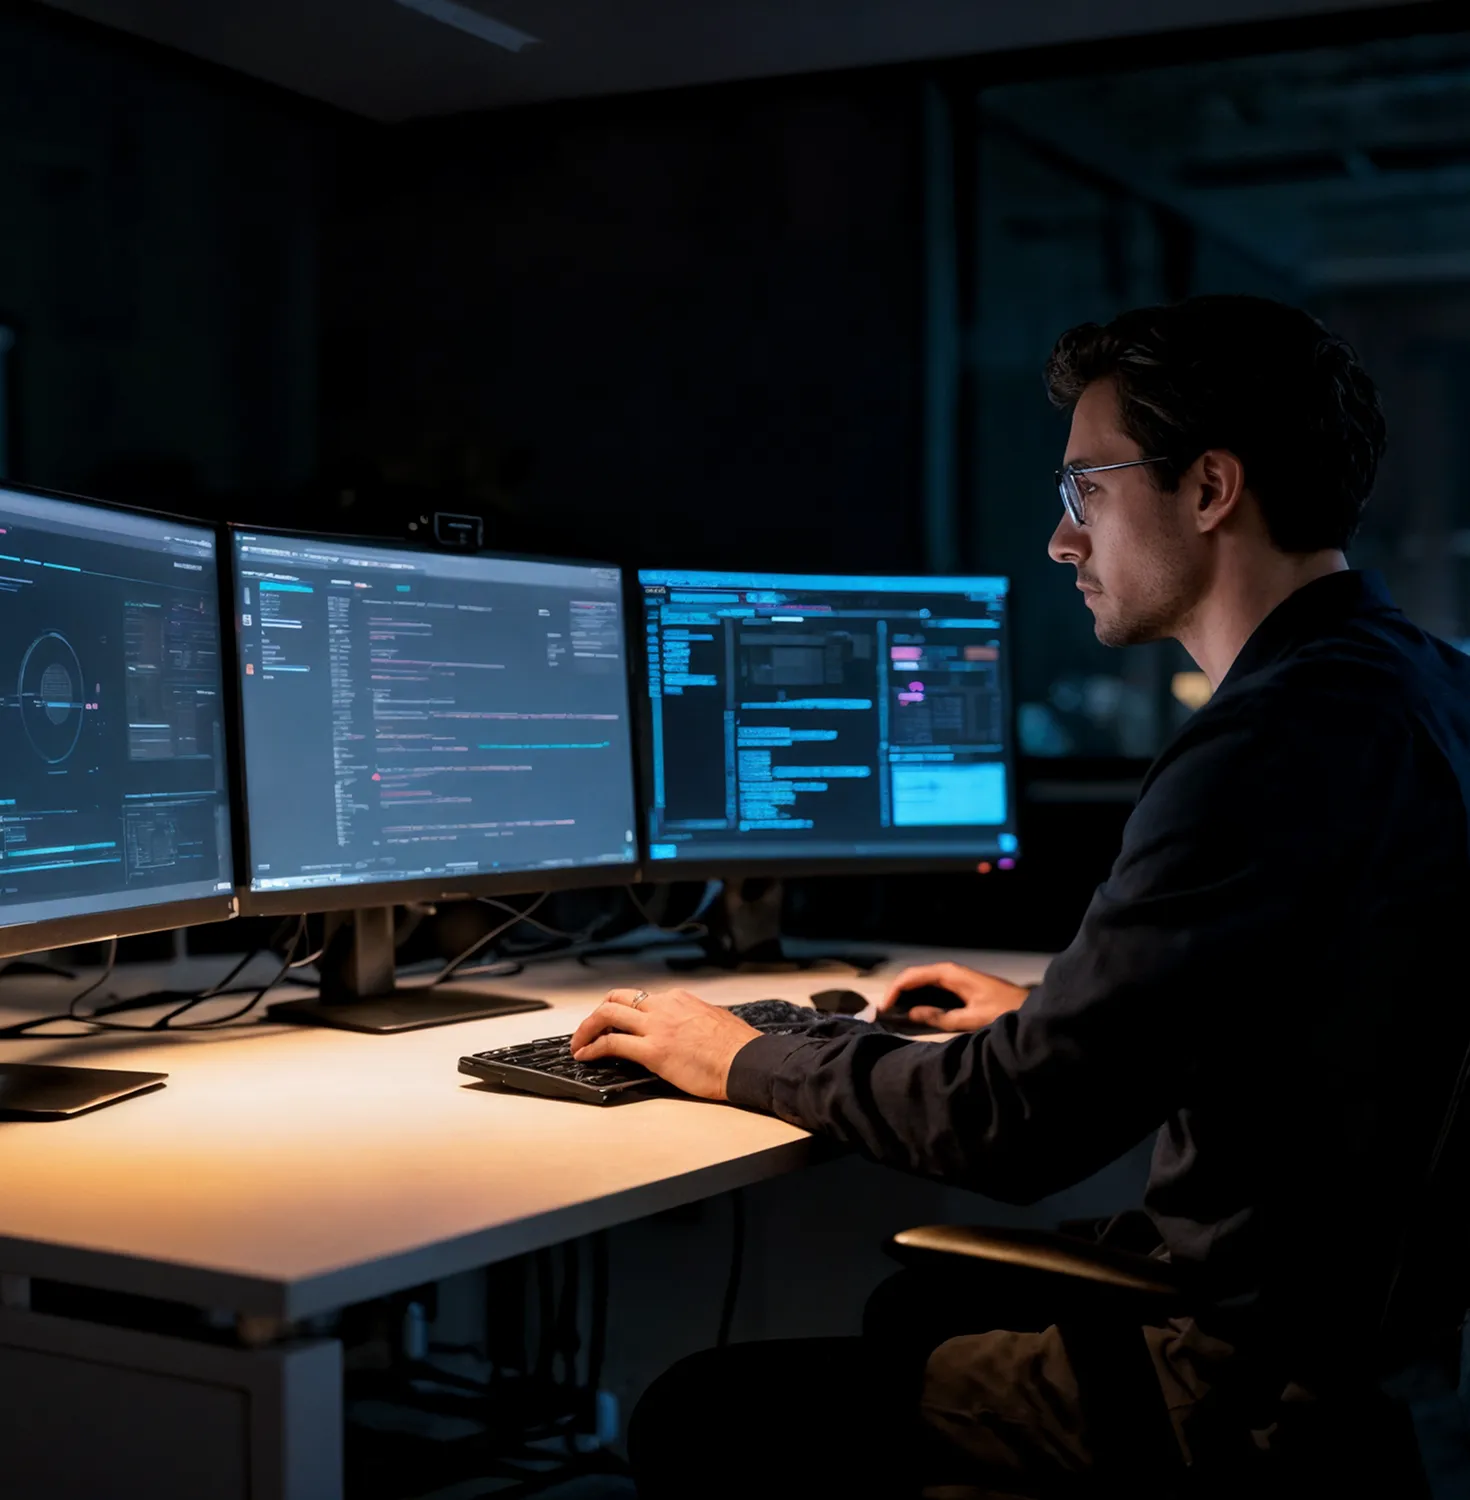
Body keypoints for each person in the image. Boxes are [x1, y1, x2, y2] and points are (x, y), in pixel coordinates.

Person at [571, 295, 1470, 1496]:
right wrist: (1057, 1016)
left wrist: (738, 1054)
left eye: (1086, 489)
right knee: (917, 1305)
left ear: (1210, 489)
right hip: (1394, 1354)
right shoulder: (1426, 689)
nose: (1061, 540)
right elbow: (1333, 1011)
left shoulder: (1266, 744)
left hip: (1250, 1388)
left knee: (701, 1416)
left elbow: (1011, 1127)